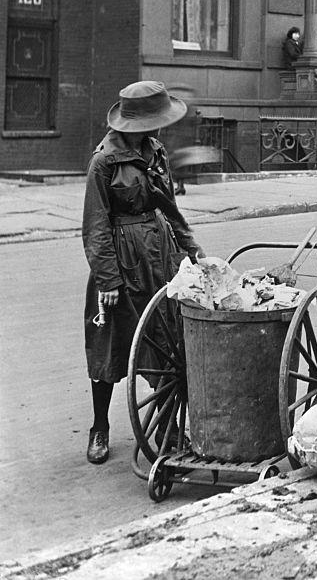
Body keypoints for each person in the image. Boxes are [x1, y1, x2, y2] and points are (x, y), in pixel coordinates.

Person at [82, 81, 204, 464]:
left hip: (159, 255)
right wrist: (108, 279)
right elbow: (95, 225)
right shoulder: (104, 162)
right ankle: (99, 427)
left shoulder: (156, 151)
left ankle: (167, 428)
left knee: (166, 341)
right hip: (121, 260)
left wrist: (191, 248)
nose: (161, 127)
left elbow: (168, 206)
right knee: (110, 345)